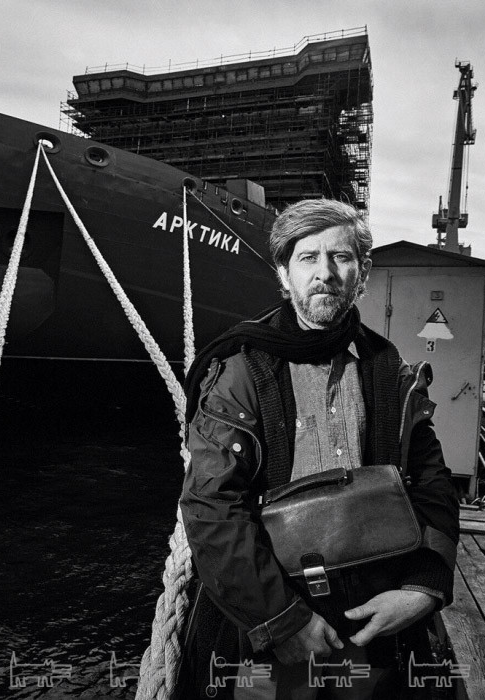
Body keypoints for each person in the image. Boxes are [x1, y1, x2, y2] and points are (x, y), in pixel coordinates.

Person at [179, 199, 459, 699]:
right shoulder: (240, 373)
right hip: (272, 629)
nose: (324, 273)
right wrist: (282, 621)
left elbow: (431, 481)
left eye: (341, 257)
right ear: (284, 274)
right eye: (307, 257)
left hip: (376, 624)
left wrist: (424, 584)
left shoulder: (389, 369)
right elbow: (211, 505)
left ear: (362, 273)